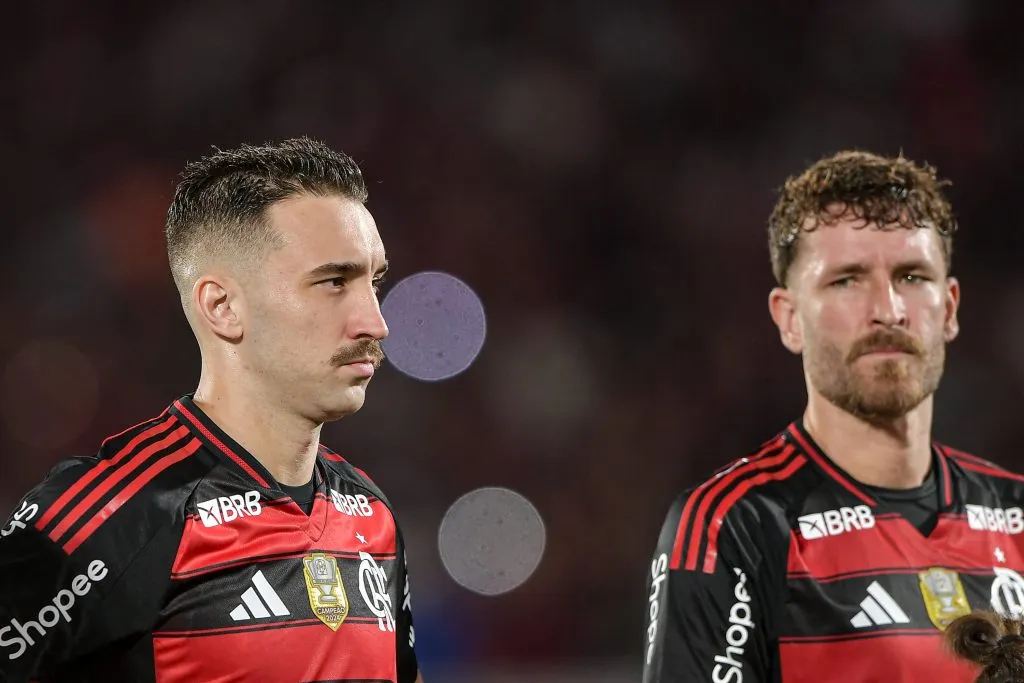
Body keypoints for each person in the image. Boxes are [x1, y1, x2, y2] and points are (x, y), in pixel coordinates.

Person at [0, 137, 422, 682]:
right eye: (334, 282)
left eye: (374, 282)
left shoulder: (371, 516)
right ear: (222, 307)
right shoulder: (122, 513)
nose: (375, 323)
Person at [641, 150, 1024, 682]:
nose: (888, 310)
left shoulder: (1016, 512)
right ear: (790, 319)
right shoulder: (735, 527)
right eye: (847, 280)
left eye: (912, 276)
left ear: (951, 308)